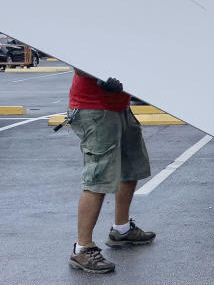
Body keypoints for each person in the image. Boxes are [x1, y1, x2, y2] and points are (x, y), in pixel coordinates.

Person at [66, 68, 155, 273]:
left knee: (131, 166)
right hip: (94, 108)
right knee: (98, 178)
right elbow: (78, 59)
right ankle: (82, 248)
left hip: (119, 105)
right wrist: (99, 78)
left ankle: (121, 230)